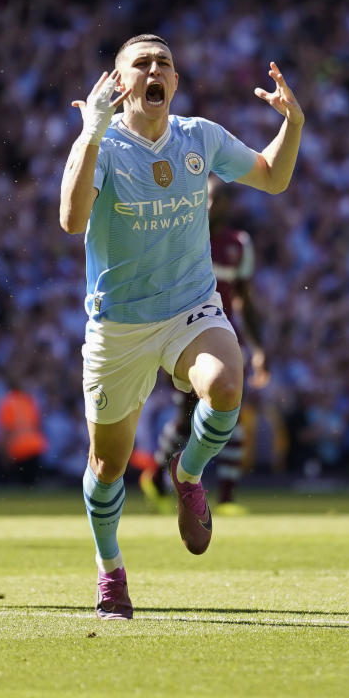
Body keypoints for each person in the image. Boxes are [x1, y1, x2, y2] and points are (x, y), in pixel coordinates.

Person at [60, 34, 302, 619]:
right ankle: (110, 570)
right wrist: (90, 133)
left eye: (163, 62)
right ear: (119, 83)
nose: (154, 69)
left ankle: (187, 473)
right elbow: (70, 220)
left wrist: (294, 122)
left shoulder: (199, 136)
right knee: (107, 466)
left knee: (225, 386)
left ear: (175, 80)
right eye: (141, 63)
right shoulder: (103, 143)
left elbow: (272, 176)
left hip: (190, 308)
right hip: (119, 325)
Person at [140, 178, 269, 516]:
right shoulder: (183, 239)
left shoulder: (239, 244)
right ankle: (160, 477)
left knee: (228, 413)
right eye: (206, 199)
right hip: (186, 340)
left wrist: (259, 346)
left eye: (216, 199)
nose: (211, 206)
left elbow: (245, 300)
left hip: (226, 340)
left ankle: (225, 497)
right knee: (187, 418)